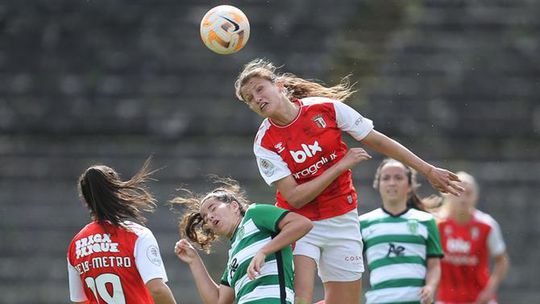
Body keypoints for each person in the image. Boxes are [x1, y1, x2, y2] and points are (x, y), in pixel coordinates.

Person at [234, 58, 463, 304]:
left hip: (342, 216)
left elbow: (378, 140)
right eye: (249, 98)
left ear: (278, 85)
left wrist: (427, 170)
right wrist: (340, 165)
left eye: (260, 89)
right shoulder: (265, 142)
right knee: (301, 298)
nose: (257, 98)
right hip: (300, 223)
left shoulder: (326, 109)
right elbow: (295, 197)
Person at [172, 177, 313, 304]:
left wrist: (264, 251)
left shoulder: (254, 214)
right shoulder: (234, 254)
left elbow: (302, 224)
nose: (209, 216)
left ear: (234, 206)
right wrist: (194, 260)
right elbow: (219, 301)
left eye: (213, 208)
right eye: (205, 217)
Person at [67, 160, 177, 304]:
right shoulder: (137, 235)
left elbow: (80, 300)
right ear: (117, 191)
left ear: (86, 200)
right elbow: (157, 289)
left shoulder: (76, 245)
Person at [359, 159, 444, 304]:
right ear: (378, 185)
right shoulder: (363, 223)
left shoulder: (426, 221)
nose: (392, 183)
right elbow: (352, 268)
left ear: (410, 185)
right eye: (386, 178)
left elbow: (434, 265)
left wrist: (430, 287)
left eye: (398, 178)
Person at [432, 171, 510, 304]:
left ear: (476, 196)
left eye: (468, 193)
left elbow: (502, 261)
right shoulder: (436, 224)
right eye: (458, 192)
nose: (463, 198)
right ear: (448, 194)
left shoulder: (487, 225)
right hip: (446, 299)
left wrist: (489, 292)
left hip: (480, 299)